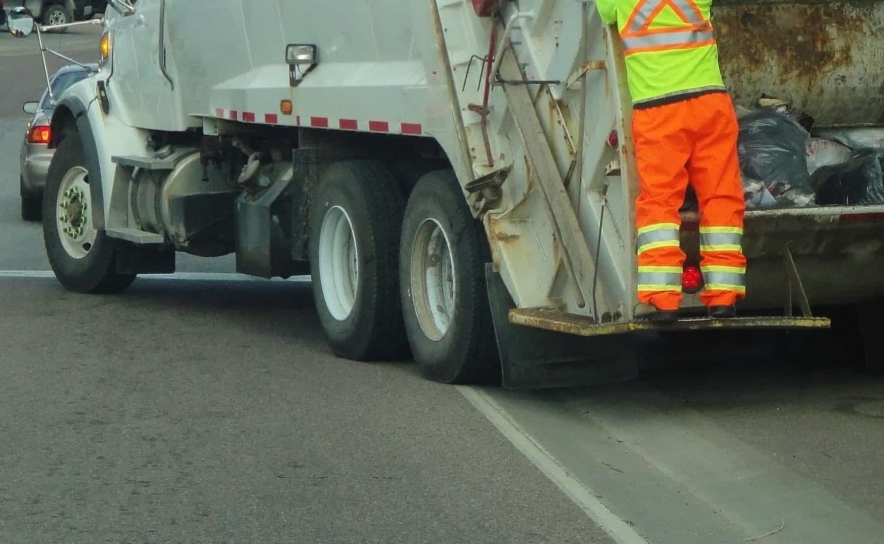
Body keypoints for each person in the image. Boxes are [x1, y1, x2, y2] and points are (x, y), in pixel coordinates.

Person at [595, 0, 747, 323]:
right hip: (711, 103)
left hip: (658, 111)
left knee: (660, 203)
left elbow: (603, 13)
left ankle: (664, 301)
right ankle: (724, 297)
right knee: (722, 196)